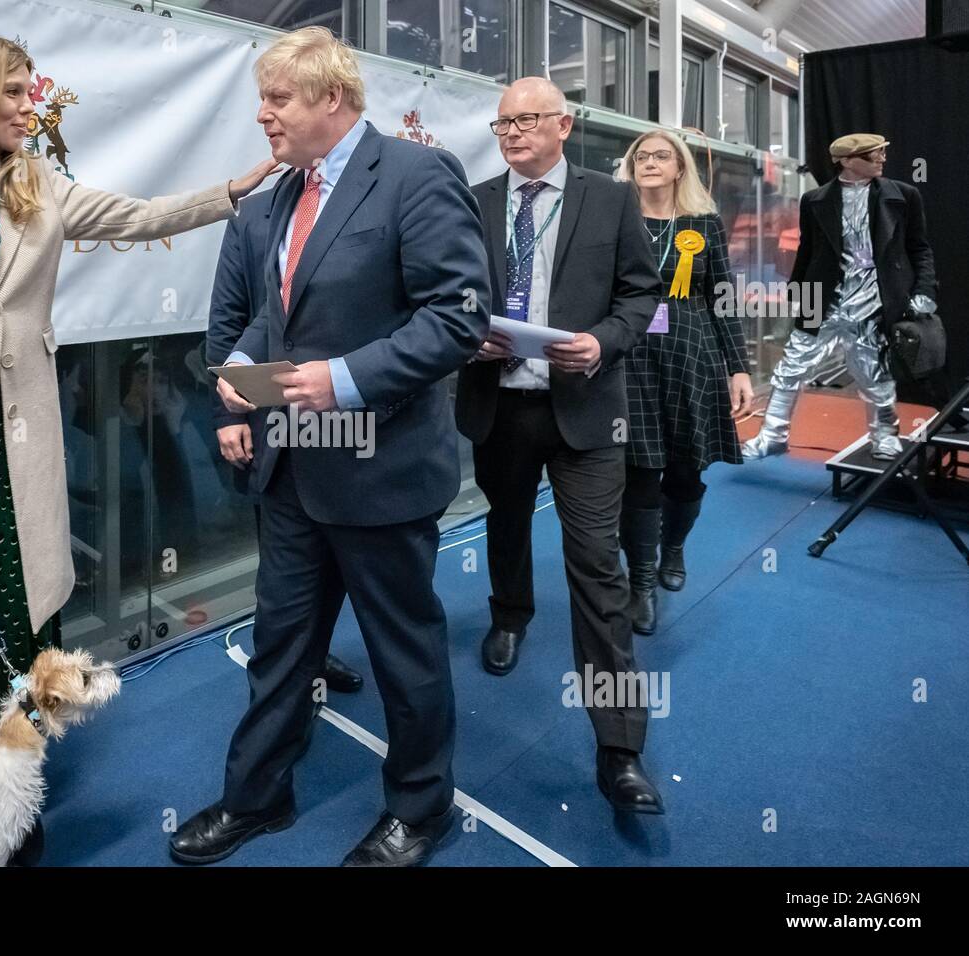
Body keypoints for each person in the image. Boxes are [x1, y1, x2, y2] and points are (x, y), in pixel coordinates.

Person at [0, 31, 277, 863]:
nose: (29, 107)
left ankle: (7, 795)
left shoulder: (38, 181)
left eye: (30, 92)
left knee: (14, 604)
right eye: (13, 93)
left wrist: (228, 193)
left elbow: (137, 217)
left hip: (21, 441)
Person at [170, 27, 490, 867]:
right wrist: (241, 375)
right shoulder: (281, 196)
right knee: (280, 646)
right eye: (263, 99)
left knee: (403, 655)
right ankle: (256, 797)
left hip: (381, 469)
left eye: (278, 98)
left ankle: (421, 809)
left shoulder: (417, 175)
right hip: (291, 471)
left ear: (333, 98)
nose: (263, 115)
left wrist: (344, 379)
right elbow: (267, 317)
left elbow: (458, 316)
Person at [454, 77, 665, 813]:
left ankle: (620, 748)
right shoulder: (474, 202)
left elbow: (641, 294)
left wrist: (602, 342)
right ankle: (509, 615)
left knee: (597, 564)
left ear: (564, 125)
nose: (512, 133)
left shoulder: (611, 200)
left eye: (527, 120)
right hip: (500, 403)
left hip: (585, 411)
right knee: (506, 521)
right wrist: (467, 336)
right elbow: (446, 295)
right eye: (503, 123)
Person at [206, 189, 365, 697]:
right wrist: (227, 414)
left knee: (342, 563)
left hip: (355, 422)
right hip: (273, 425)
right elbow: (228, 317)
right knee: (283, 577)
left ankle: (315, 653)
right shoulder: (254, 215)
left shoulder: (362, 201)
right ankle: (291, 673)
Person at [613, 129, 753, 634]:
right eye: (641, 155)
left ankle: (673, 548)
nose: (650, 162)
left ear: (679, 168)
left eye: (661, 155)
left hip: (693, 354)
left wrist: (739, 367)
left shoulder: (704, 223)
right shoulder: (614, 217)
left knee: (686, 472)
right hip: (630, 357)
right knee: (639, 471)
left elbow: (722, 298)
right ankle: (641, 581)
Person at [742, 133, 938, 460]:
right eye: (873, 154)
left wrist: (924, 290)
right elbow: (808, 249)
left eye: (882, 152)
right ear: (846, 160)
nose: (882, 158)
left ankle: (885, 436)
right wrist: (798, 290)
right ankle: (772, 435)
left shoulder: (903, 195)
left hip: (875, 298)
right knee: (791, 366)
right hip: (824, 298)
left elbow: (920, 249)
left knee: (875, 372)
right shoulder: (815, 199)